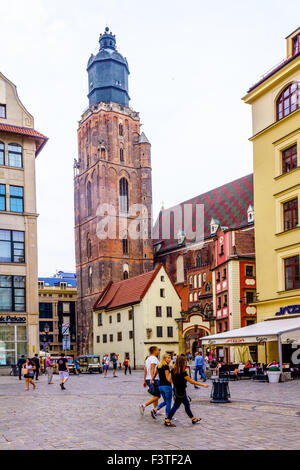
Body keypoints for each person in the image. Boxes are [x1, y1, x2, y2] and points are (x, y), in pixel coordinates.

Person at [165, 356, 209, 427]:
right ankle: (168, 420)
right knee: (176, 406)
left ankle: (193, 418)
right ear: (182, 363)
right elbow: (191, 381)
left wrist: (176, 383)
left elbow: (169, 379)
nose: (186, 363)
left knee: (186, 404)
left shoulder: (173, 370)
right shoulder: (183, 372)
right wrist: (203, 385)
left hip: (176, 390)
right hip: (181, 392)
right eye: (185, 361)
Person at [139, 346, 160, 416]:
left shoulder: (148, 359)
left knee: (155, 395)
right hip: (153, 379)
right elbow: (152, 368)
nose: (158, 351)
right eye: (158, 350)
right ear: (154, 351)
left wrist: (145, 380)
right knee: (157, 396)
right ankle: (144, 405)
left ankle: (156, 410)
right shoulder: (154, 358)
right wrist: (152, 378)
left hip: (148, 379)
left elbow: (145, 370)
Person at [151, 354, 173, 419]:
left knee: (166, 401)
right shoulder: (166, 366)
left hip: (161, 386)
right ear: (164, 359)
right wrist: (173, 384)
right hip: (167, 386)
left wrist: (152, 380)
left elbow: (155, 374)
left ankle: (155, 409)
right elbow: (167, 378)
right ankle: (168, 416)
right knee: (168, 401)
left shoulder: (159, 366)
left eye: (170, 358)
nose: (170, 359)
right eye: (168, 358)